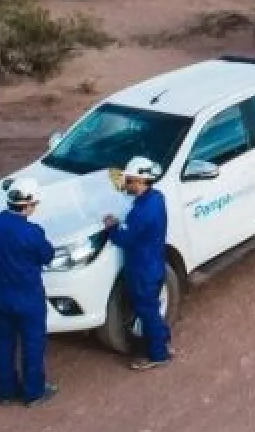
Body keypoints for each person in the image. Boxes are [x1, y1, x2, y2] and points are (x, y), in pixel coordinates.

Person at [0, 177, 57, 407]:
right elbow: (47, 255)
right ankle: (34, 392)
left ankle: (6, 391)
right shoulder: (33, 232)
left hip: (1, 295)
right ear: (28, 204)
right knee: (32, 344)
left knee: (3, 343)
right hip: (28, 297)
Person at [103, 156, 172, 370]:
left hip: (142, 270)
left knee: (147, 312)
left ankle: (158, 354)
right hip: (155, 264)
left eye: (130, 180)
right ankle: (163, 342)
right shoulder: (157, 198)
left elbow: (125, 239)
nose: (126, 184)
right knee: (152, 309)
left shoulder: (141, 212)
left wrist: (111, 227)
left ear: (141, 181)